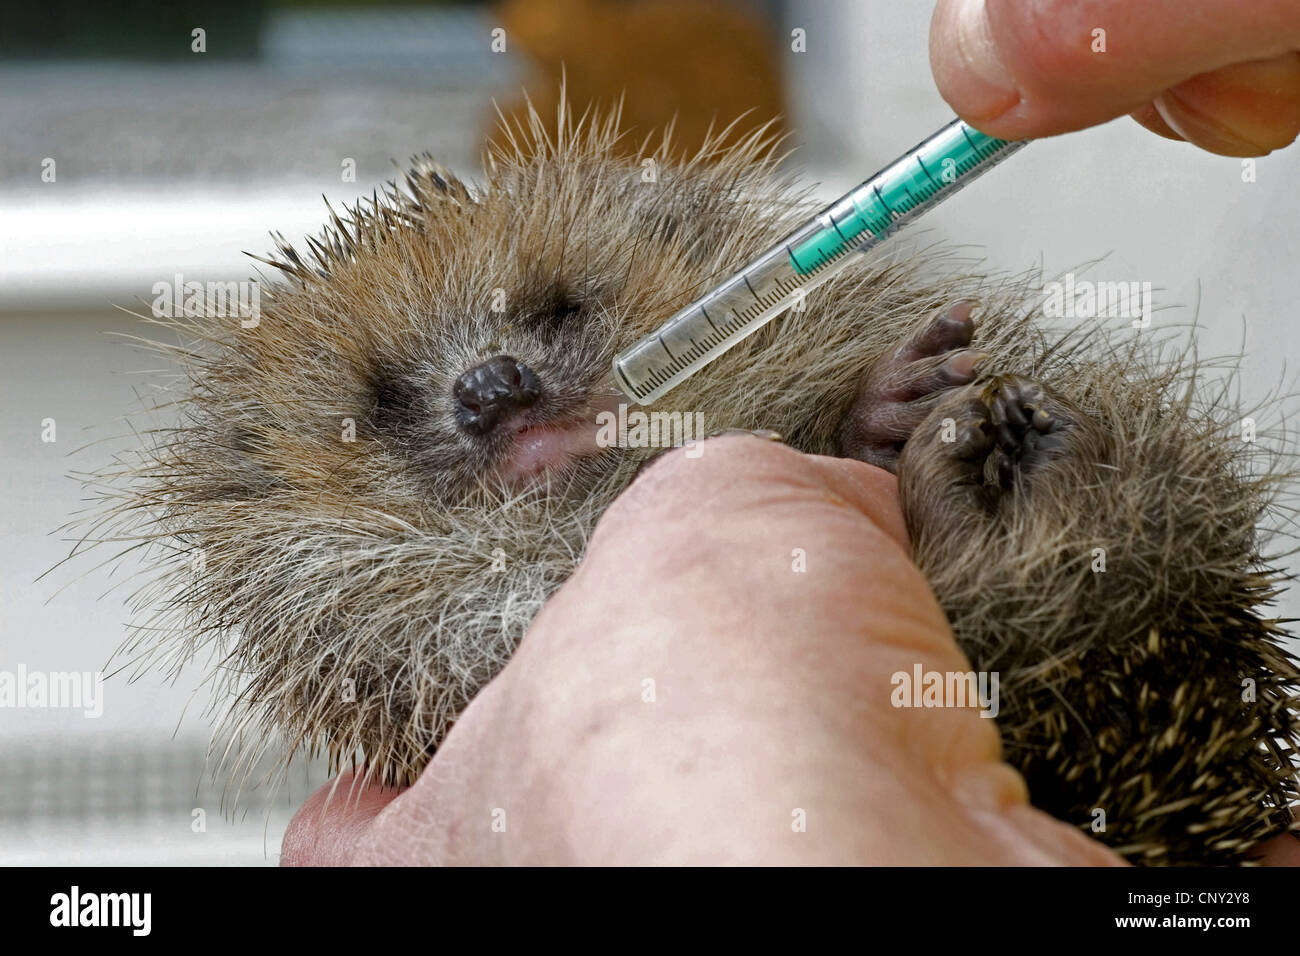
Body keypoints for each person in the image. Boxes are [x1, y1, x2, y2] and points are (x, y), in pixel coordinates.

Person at [283, 0, 1300, 865]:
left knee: (1064, 480)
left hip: (1010, 673)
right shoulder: (372, 615)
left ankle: (945, 524)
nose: (493, 384)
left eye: (556, 317)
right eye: (386, 404)